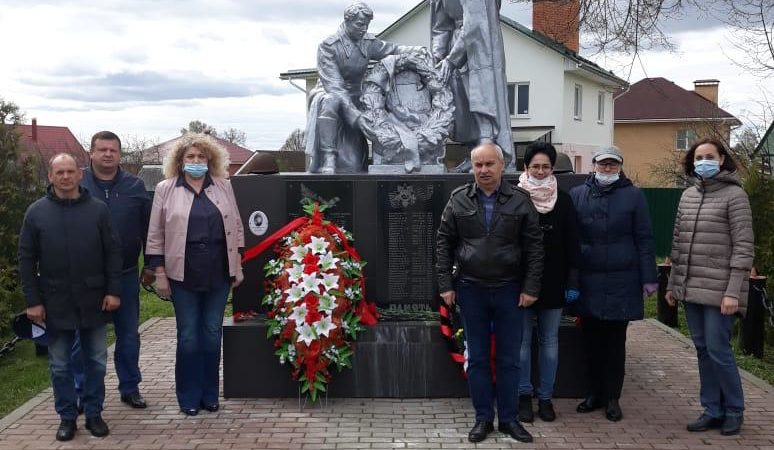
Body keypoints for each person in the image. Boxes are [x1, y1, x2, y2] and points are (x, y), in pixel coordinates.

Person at [436, 143, 543, 443]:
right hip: (471, 289)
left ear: (502, 165)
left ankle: (509, 419)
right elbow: (443, 243)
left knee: (510, 359)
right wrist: (445, 285)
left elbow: (535, 247)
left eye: (489, 164)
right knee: (479, 359)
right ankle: (483, 419)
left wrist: (531, 287)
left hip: (510, 290)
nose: (483, 170)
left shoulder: (520, 201)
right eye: (477, 165)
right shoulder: (458, 200)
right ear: (472, 167)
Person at [18, 153, 122, 441]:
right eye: (59, 172)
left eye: (70, 171)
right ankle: (67, 417)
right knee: (60, 364)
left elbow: (113, 253)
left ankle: (93, 413)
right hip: (54, 302)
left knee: (97, 362)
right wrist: (33, 301)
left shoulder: (98, 210)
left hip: (95, 299)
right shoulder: (36, 213)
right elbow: (26, 259)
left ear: (80, 174)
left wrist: (114, 291)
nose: (65, 177)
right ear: (50, 177)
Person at [146, 133, 244, 416]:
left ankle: (209, 394)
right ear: (180, 160)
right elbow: (155, 234)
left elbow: (236, 227)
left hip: (218, 271)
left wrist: (237, 265)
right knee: (189, 335)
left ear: (210, 159)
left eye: (201, 157)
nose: (196, 161)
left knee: (212, 334)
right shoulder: (166, 188)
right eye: (190, 157)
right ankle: (188, 396)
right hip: (182, 273)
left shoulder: (223, 186)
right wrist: (159, 273)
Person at [666, 138, 753, 436]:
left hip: (720, 291)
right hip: (690, 288)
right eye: (698, 157)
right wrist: (672, 285)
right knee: (703, 350)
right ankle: (712, 409)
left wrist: (733, 291)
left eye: (709, 156)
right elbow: (678, 245)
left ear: (722, 160)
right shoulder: (688, 196)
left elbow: (743, 248)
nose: (703, 161)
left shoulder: (735, 196)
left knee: (719, 350)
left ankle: (734, 410)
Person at [570, 146, 657, 422]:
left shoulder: (633, 196)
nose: (607, 169)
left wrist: (649, 277)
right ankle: (593, 393)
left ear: (619, 167)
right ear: (593, 165)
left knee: (615, 343)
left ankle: (612, 398)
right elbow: (571, 239)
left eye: (612, 165)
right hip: (589, 278)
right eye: (602, 164)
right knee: (591, 342)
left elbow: (644, 238)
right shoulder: (578, 195)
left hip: (622, 279)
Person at [72, 131, 152, 410]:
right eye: (102, 149)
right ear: (90, 153)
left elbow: (148, 229)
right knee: (84, 336)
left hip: (126, 274)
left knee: (129, 335)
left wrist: (151, 265)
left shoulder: (135, 186)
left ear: (120, 154)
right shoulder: (76, 184)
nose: (108, 154)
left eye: (113, 150)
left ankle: (130, 387)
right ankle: (83, 391)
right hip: (87, 278)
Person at [306, 1, 422, 173]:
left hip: (355, 95)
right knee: (332, 100)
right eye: (360, 24)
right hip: (328, 92)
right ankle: (328, 156)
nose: (363, 29)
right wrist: (357, 117)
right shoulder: (328, 46)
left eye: (366, 25)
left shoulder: (367, 42)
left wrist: (419, 50)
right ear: (347, 21)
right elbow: (335, 86)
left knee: (353, 166)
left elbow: (393, 49)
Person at [516, 142, 580, 423]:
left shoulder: (564, 200)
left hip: (554, 281)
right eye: (535, 167)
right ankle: (522, 396)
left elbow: (574, 243)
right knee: (521, 344)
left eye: (545, 166)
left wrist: (573, 280)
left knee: (549, 342)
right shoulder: (515, 197)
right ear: (525, 168)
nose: (540, 172)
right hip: (520, 283)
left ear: (553, 169)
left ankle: (545, 398)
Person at [431, 0, 515, 172]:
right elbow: (440, 27)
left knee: (483, 98)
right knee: (461, 103)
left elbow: (475, 22)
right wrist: (437, 58)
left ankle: (489, 152)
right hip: (455, 44)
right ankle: (473, 153)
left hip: (482, 44)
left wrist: (452, 59)